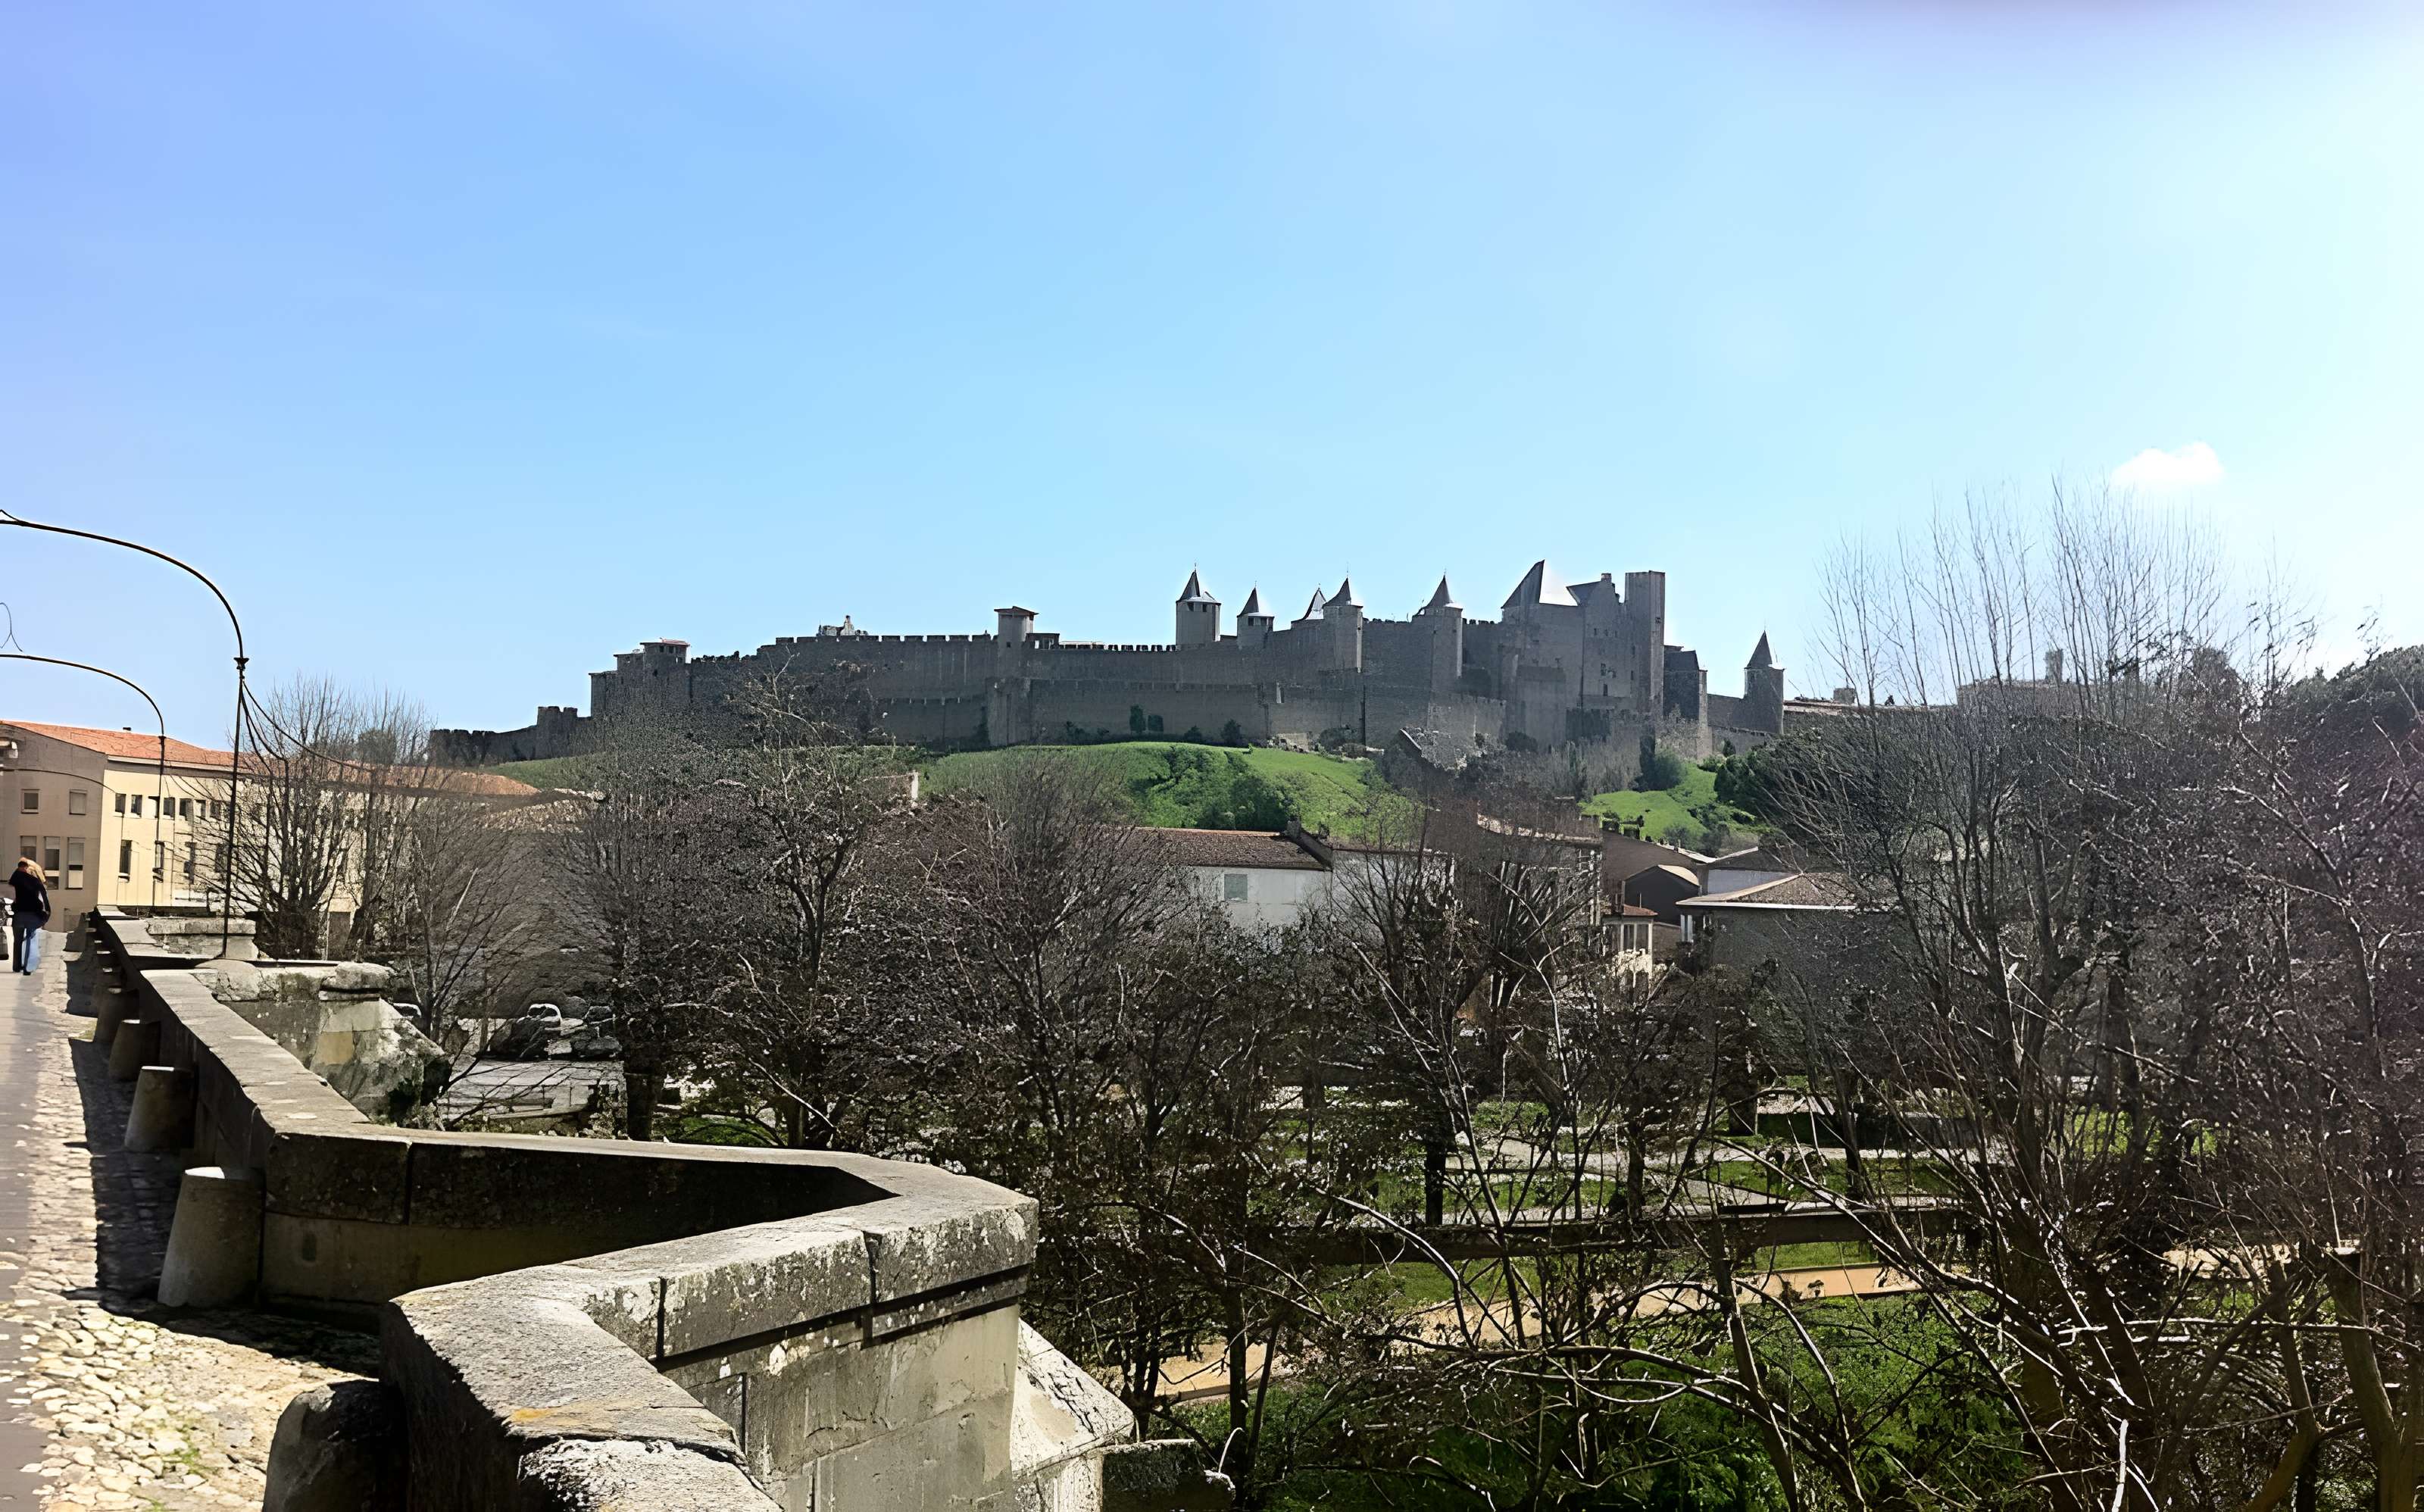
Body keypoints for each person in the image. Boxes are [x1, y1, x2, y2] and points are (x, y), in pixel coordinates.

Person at [10, 859, 50, 974]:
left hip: (19, 915)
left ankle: (17, 966)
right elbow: (44, 899)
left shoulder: (16, 880)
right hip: (32, 915)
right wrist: (47, 912)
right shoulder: (36, 882)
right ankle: (27, 967)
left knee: (17, 941)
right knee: (29, 940)